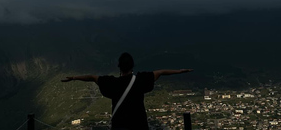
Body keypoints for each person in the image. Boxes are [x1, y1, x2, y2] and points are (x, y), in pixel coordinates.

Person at [61, 52, 193, 130]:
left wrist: (74, 78)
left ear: (119, 67)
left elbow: (92, 77)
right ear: (132, 66)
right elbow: (161, 72)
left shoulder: (112, 83)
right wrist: (180, 71)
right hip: (139, 125)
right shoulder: (141, 80)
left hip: (120, 126)